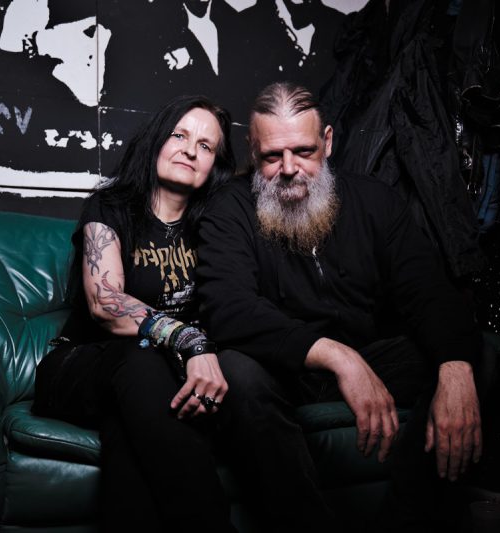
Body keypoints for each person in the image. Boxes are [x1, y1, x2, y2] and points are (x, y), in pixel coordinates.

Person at [197, 81, 485, 532]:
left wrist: (455, 366)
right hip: (285, 372)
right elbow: (228, 308)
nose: (289, 169)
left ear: (327, 142)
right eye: (272, 156)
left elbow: (431, 292)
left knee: (468, 355)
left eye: (304, 151)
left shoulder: (376, 201)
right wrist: (336, 356)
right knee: (236, 371)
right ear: (253, 150)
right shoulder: (229, 208)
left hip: (372, 359)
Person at [33, 95, 237, 533]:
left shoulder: (216, 226)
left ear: (214, 165)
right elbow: (105, 301)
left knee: (131, 430)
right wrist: (189, 339)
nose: (189, 150)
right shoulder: (111, 207)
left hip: (150, 385)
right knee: (141, 357)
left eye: (205, 146)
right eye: (179, 135)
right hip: (79, 367)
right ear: (156, 140)